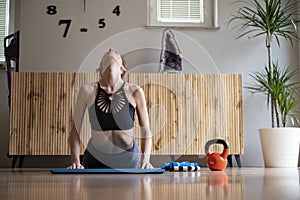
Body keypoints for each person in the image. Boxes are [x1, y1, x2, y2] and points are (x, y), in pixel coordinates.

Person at [68, 48, 153, 169]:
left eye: (115, 54)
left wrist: (146, 160)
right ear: (100, 68)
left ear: (122, 69)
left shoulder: (135, 91)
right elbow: (75, 132)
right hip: (95, 159)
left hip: (128, 159)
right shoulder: (87, 91)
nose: (110, 49)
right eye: (106, 55)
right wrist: (75, 161)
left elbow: (146, 132)